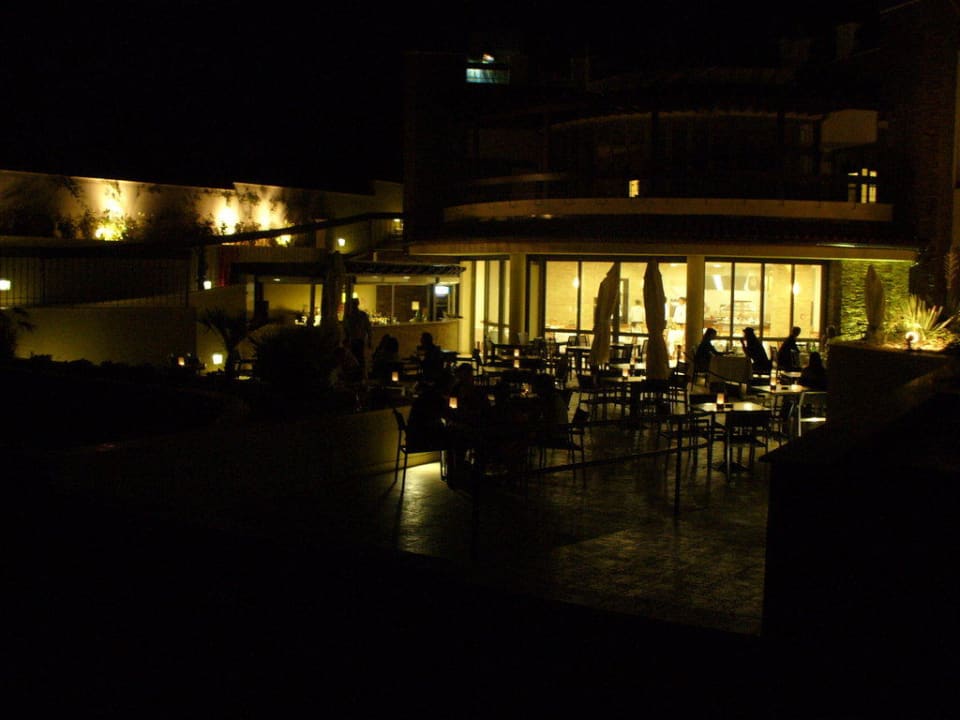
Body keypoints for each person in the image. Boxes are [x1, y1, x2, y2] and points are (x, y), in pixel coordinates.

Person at [342, 298, 372, 378]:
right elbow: (368, 328)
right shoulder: (362, 315)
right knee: (359, 358)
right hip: (358, 340)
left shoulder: (350, 316)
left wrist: (347, 338)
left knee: (355, 358)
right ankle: (361, 375)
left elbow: (347, 329)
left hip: (355, 340)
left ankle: (358, 376)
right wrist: (369, 339)